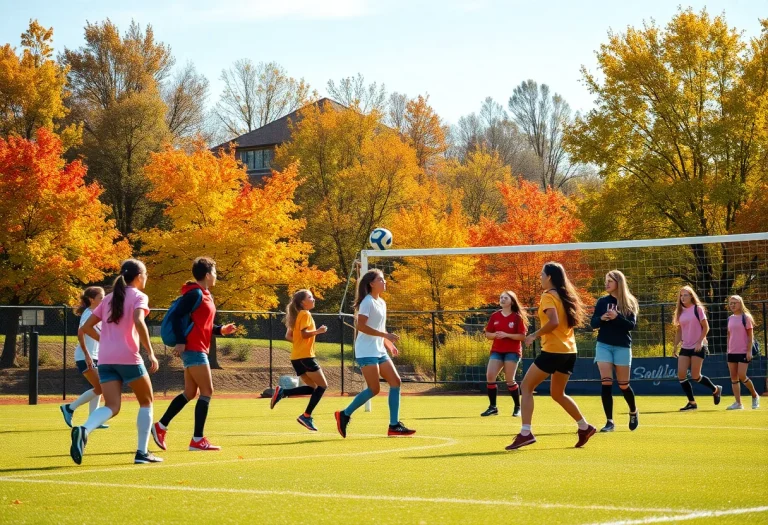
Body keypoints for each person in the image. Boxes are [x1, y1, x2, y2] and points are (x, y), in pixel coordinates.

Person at [70, 259, 161, 465]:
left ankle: (84, 429)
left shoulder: (108, 298)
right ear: (139, 277)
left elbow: (86, 328)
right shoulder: (139, 296)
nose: (146, 277)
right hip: (128, 357)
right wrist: (151, 352)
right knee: (146, 402)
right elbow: (138, 321)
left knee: (112, 405)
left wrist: (106, 341)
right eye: (145, 274)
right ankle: (142, 452)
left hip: (105, 359)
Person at [506, 262, 595, 450]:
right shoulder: (565, 296)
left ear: (549, 277)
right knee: (557, 393)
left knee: (526, 386)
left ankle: (525, 433)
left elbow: (553, 322)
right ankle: (584, 427)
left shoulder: (547, 297)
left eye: (541, 275)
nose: (539, 278)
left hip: (553, 351)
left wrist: (533, 335)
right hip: (570, 351)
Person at [151, 257, 236, 452]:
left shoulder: (206, 295)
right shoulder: (195, 293)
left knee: (191, 393)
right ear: (207, 275)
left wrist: (221, 329)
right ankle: (197, 439)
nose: (216, 276)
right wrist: (180, 341)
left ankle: (160, 426)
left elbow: (202, 325)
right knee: (207, 391)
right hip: (194, 348)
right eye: (215, 273)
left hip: (197, 347)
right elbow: (177, 317)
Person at [334, 269, 415, 438]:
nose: (385, 282)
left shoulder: (382, 303)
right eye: (381, 279)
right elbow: (361, 326)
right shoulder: (367, 302)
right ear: (371, 283)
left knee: (395, 381)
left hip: (379, 350)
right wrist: (385, 336)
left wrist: (388, 343)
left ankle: (394, 425)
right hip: (365, 350)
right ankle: (344, 414)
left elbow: (380, 328)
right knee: (374, 388)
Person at [270, 289, 329, 431]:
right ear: (303, 302)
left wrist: (300, 345)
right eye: (310, 297)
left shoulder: (297, 316)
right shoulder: (305, 314)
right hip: (306, 357)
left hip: (296, 358)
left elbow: (289, 336)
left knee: (312, 388)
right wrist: (318, 331)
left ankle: (283, 392)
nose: (313, 299)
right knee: (322, 386)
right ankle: (306, 416)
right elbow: (304, 334)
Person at [590, 270, 639, 432]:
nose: (607, 284)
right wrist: (602, 319)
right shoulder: (602, 301)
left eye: (610, 281)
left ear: (619, 282)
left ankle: (633, 411)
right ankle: (609, 421)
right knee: (606, 381)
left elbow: (630, 326)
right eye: (606, 281)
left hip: (622, 346)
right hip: (603, 344)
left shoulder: (629, 302)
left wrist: (616, 317)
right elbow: (593, 323)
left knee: (624, 385)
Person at [60, 287, 109, 430]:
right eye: (101, 297)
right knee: (100, 387)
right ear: (91, 299)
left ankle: (93, 420)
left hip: (96, 356)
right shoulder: (88, 314)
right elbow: (80, 334)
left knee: (99, 387)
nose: (104, 300)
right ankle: (69, 408)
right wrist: (87, 355)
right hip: (85, 357)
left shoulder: (97, 313)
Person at [672, 286, 722, 411]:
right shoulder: (680, 311)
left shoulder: (697, 309)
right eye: (681, 295)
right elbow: (679, 330)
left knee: (695, 376)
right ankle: (692, 403)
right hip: (685, 346)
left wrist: (700, 342)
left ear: (691, 296)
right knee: (681, 375)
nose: (683, 298)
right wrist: (675, 346)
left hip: (698, 346)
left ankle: (715, 389)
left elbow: (706, 327)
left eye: (685, 295)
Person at [481, 291, 527, 417]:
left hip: (512, 352)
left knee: (509, 380)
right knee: (490, 376)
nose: (502, 299)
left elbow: (522, 336)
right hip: (497, 351)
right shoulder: (495, 316)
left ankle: (518, 407)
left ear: (512, 301)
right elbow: (488, 334)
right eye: (501, 297)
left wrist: (507, 335)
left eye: (505, 298)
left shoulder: (518, 317)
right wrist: (495, 335)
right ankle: (493, 407)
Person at [725, 295, 760, 410]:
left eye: (735, 302)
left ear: (741, 303)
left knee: (742, 375)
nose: (733, 305)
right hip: (732, 352)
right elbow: (729, 335)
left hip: (743, 351)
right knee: (733, 377)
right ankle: (738, 403)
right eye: (731, 303)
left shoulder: (746, 317)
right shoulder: (730, 318)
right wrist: (728, 350)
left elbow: (750, 337)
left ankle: (754, 395)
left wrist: (749, 351)